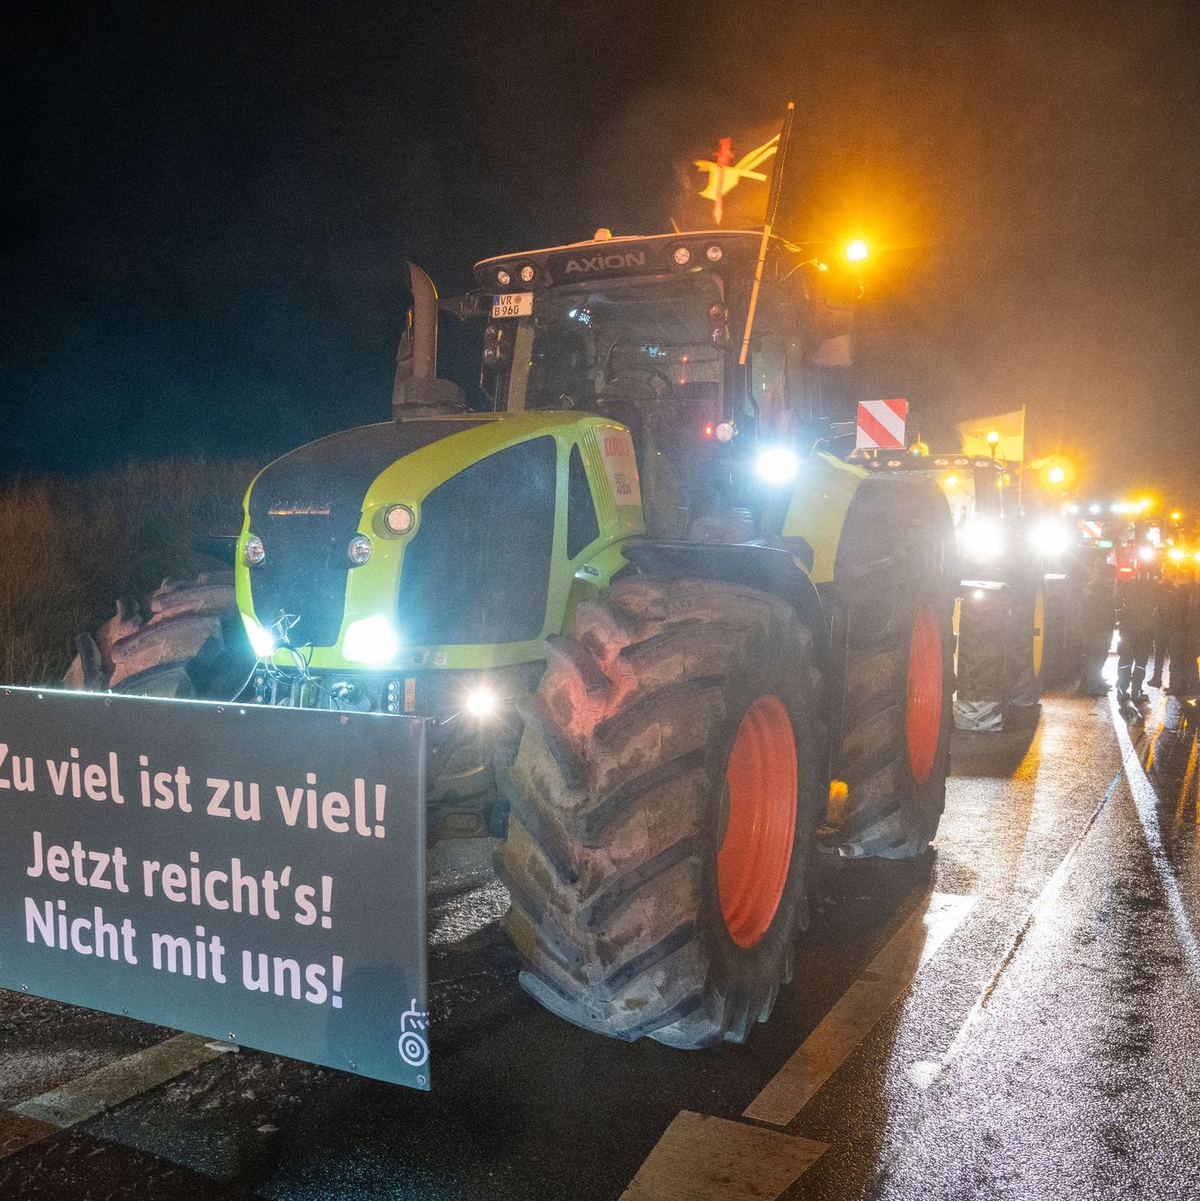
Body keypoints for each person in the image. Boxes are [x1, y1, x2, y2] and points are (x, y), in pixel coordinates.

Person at [1116, 564, 1158, 704]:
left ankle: (1122, 690)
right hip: (1145, 632)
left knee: (1125, 660)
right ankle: (1137, 691)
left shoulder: (1127, 586)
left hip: (1128, 630)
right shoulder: (1154, 588)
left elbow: (1117, 602)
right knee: (1140, 662)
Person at [1078, 559, 1117, 696]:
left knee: (1093, 657)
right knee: (1097, 657)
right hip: (1100, 628)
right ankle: (1091, 687)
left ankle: (1089, 684)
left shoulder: (1093, 586)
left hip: (1092, 627)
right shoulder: (1102, 589)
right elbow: (1104, 610)